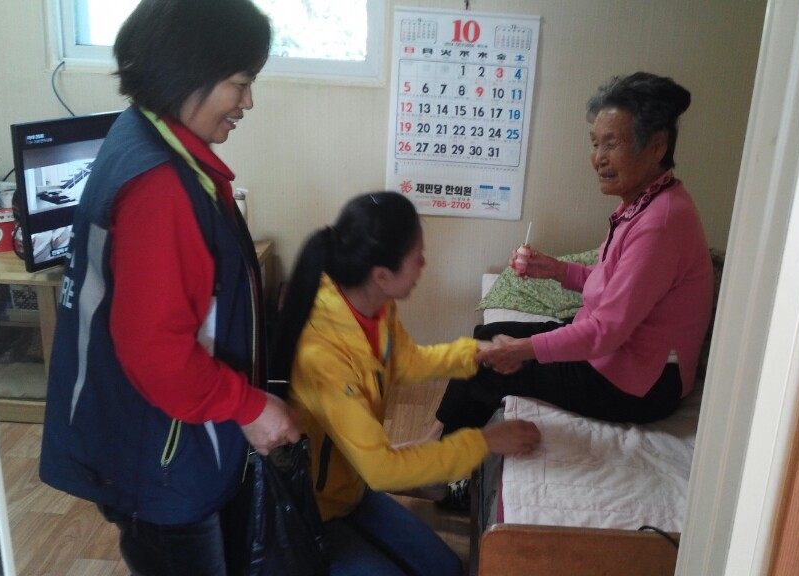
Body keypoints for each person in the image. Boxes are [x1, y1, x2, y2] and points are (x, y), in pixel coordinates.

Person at [38, 1, 301, 574]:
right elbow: (157, 352)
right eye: (240, 84)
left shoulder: (139, 137)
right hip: (161, 458)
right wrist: (250, 406)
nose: (248, 103)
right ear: (188, 73)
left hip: (158, 441)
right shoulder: (160, 186)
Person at [431, 71, 713, 461]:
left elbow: (607, 331)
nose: (598, 158)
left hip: (641, 382)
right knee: (488, 335)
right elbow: (616, 286)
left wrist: (523, 350)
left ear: (657, 145)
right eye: (595, 143)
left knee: (488, 364)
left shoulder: (661, 222)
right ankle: (434, 444)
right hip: (620, 354)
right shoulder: (645, 203)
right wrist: (556, 270)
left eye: (612, 144)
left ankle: (436, 467)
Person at [270, 191, 541, 576]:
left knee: (445, 568)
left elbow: (404, 362)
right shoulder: (323, 356)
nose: (424, 264)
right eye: (418, 255)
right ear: (381, 275)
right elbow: (383, 469)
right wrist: (485, 442)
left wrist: (476, 353)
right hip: (311, 512)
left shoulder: (375, 304)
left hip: (351, 489)